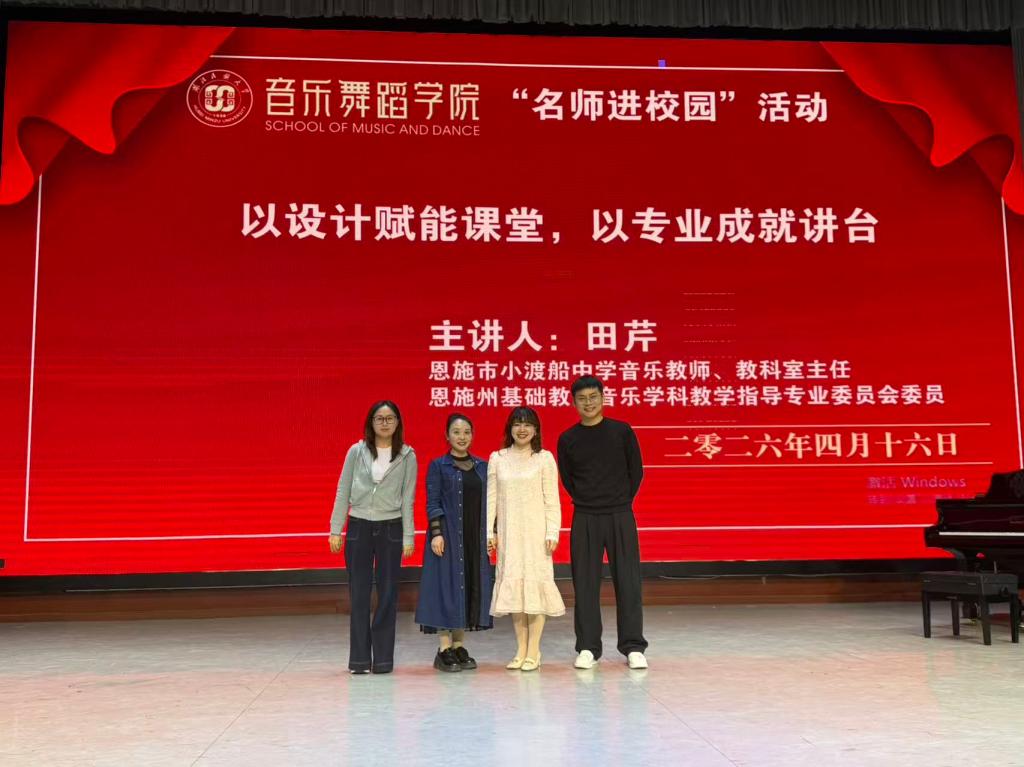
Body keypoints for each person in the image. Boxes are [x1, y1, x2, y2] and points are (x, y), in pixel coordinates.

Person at [557, 376, 649, 670]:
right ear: (574, 403)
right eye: (582, 399)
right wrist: (588, 499)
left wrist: (620, 500)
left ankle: (633, 646)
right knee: (584, 583)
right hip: (585, 516)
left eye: (593, 397)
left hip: (620, 514)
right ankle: (587, 647)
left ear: (603, 398)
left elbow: (636, 471)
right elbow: (568, 479)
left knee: (628, 581)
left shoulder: (621, 431)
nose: (588, 403)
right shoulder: (568, 439)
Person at [329, 400, 417, 674]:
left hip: (391, 528)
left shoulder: (407, 455)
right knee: (359, 594)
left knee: (388, 594)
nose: (385, 423)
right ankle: (359, 660)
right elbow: (343, 490)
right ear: (371, 422)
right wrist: (335, 529)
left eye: (390, 418)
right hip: (359, 527)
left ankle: (382, 660)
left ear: (398, 423)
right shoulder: (356, 452)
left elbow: (408, 499)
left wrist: (408, 536)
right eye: (379, 418)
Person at [414, 413, 494, 672]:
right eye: (456, 432)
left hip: (474, 537)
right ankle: (444, 649)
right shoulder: (439, 466)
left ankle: (459, 647)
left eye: (467, 432)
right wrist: (436, 533)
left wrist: (491, 533)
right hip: (448, 537)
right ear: (447, 436)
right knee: (446, 590)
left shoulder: (483, 467)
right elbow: (433, 502)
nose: (462, 437)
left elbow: (491, 503)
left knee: (467, 587)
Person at [487, 407, 565, 671]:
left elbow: (552, 499)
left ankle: (534, 650)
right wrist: (490, 533)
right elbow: (491, 500)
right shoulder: (498, 458)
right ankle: (521, 649)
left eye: (528, 424)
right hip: (509, 534)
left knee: (535, 590)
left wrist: (552, 531)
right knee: (515, 593)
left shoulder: (544, 459)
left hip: (536, 535)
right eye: (517, 424)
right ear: (509, 428)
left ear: (536, 430)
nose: (522, 429)